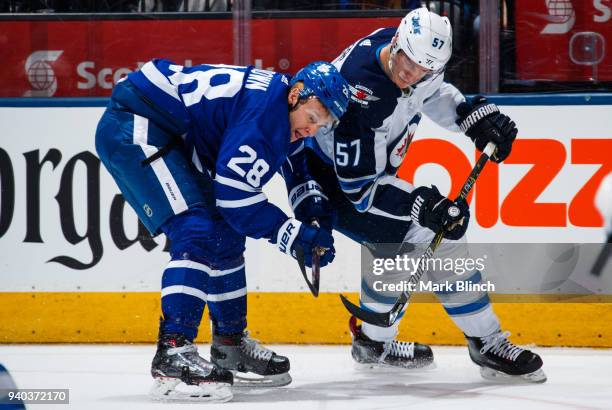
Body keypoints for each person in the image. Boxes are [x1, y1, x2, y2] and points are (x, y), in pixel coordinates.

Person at [282, 7, 546, 382]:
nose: (412, 72)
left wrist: (469, 118)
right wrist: (420, 204)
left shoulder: (412, 51)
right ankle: (485, 341)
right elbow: (361, 190)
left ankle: (373, 342)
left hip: (368, 171)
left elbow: (430, 90)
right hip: (334, 182)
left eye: (424, 66)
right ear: (396, 43)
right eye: (408, 61)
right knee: (429, 234)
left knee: (396, 242)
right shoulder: (362, 94)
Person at [95, 59, 350, 401]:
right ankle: (173, 349)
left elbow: (297, 169)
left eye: (322, 125)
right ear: (297, 95)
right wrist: (293, 236)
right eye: (312, 119)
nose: (312, 130)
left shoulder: (284, 110)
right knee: (196, 229)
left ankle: (229, 343)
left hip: (167, 129)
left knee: (225, 234)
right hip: (136, 124)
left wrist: (314, 212)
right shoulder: (263, 118)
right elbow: (234, 198)